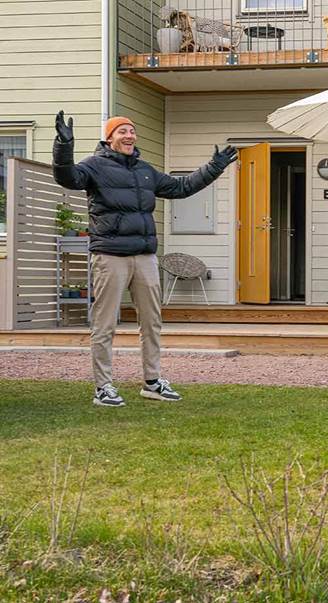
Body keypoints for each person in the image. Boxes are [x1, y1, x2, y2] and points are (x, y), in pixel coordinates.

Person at [52, 111, 238, 408]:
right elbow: (67, 178)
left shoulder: (145, 170)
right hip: (110, 255)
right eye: (122, 131)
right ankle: (103, 386)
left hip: (145, 256)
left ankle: (152, 382)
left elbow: (181, 187)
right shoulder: (93, 166)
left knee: (151, 321)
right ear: (109, 137)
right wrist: (63, 145)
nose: (129, 136)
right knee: (104, 323)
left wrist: (214, 167)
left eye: (132, 131)